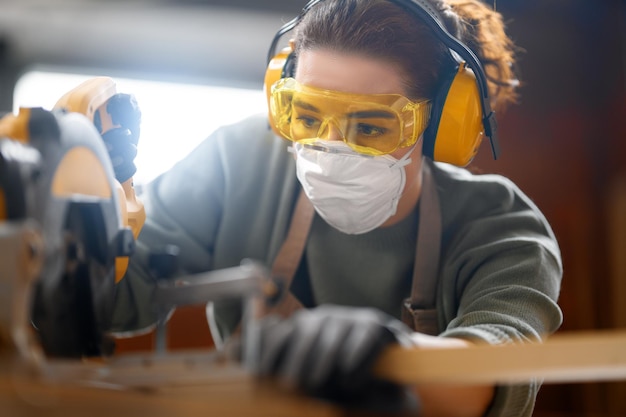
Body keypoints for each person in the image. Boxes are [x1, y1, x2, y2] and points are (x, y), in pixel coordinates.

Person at [110, 1, 563, 416]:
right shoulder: (238, 162)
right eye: (307, 117)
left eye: (369, 125)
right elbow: (119, 294)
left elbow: (493, 376)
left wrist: (386, 355)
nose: (329, 149)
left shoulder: (502, 229)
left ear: (442, 126)